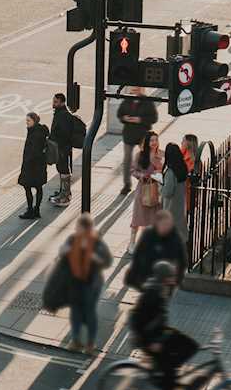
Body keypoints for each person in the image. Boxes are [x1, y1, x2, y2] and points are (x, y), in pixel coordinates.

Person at [130, 259, 199, 390]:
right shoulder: (151, 293)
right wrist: (151, 342)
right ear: (164, 278)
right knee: (169, 372)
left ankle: (169, 375)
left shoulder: (162, 288)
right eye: (171, 275)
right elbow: (137, 320)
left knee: (191, 345)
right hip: (150, 339)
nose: (174, 277)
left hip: (160, 332)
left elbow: (159, 317)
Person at [60, 213, 113, 353]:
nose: (77, 230)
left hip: (92, 284)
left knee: (89, 313)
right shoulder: (72, 239)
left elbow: (107, 261)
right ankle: (76, 341)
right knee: (75, 312)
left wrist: (96, 258)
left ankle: (90, 343)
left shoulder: (97, 243)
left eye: (79, 228)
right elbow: (62, 254)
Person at [126, 209, 186, 290]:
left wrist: (177, 279)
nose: (166, 227)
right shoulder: (148, 234)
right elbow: (138, 256)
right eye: (164, 225)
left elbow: (182, 260)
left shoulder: (175, 236)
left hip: (166, 275)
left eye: (168, 225)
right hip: (149, 274)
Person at [117, 86, 157, 196]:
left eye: (137, 88)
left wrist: (140, 120)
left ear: (142, 89)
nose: (135, 90)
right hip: (129, 134)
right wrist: (124, 118)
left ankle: (145, 180)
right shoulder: (127, 99)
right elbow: (119, 114)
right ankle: (127, 185)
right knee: (127, 160)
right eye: (133, 89)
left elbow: (154, 118)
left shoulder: (147, 102)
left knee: (146, 159)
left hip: (143, 134)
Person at [128, 131, 163, 249]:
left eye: (156, 140)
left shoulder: (162, 154)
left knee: (155, 218)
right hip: (143, 189)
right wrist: (143, 175)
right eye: (152, 140)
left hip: (158, 189)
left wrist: (161, 173)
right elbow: (132, 170)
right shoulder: (140, 155)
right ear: (147, 142)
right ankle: (132, 242)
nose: (154, 143)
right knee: (138, 216)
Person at [17, 112, 50, 220]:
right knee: (39, 187)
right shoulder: (40, 130)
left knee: (27, 187)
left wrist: (27, 161)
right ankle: (36, 210)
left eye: (28, 121)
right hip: (40, 166)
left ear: (34, 121)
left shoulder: (35, 134)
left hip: (32, 166)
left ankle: (31, 210)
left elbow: (34, 151)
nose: (26, 123)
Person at [48, 93, 75, 207]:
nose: (53, 104)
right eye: (53, 101)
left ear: (62, 102)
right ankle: (62, 193)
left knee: (64, 170)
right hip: (60, 148)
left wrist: (58, 144)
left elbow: (64, 134)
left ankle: (66, 196)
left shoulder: (63, 115)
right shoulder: (60, 113)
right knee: (61, 169)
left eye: (56, 102)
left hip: (62, 148)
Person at [160, 144, 188, 237]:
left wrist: (160, 186)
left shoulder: (171, 172)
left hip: (170, 207)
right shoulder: (183, 168)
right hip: (180, 205)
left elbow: (167, 192)